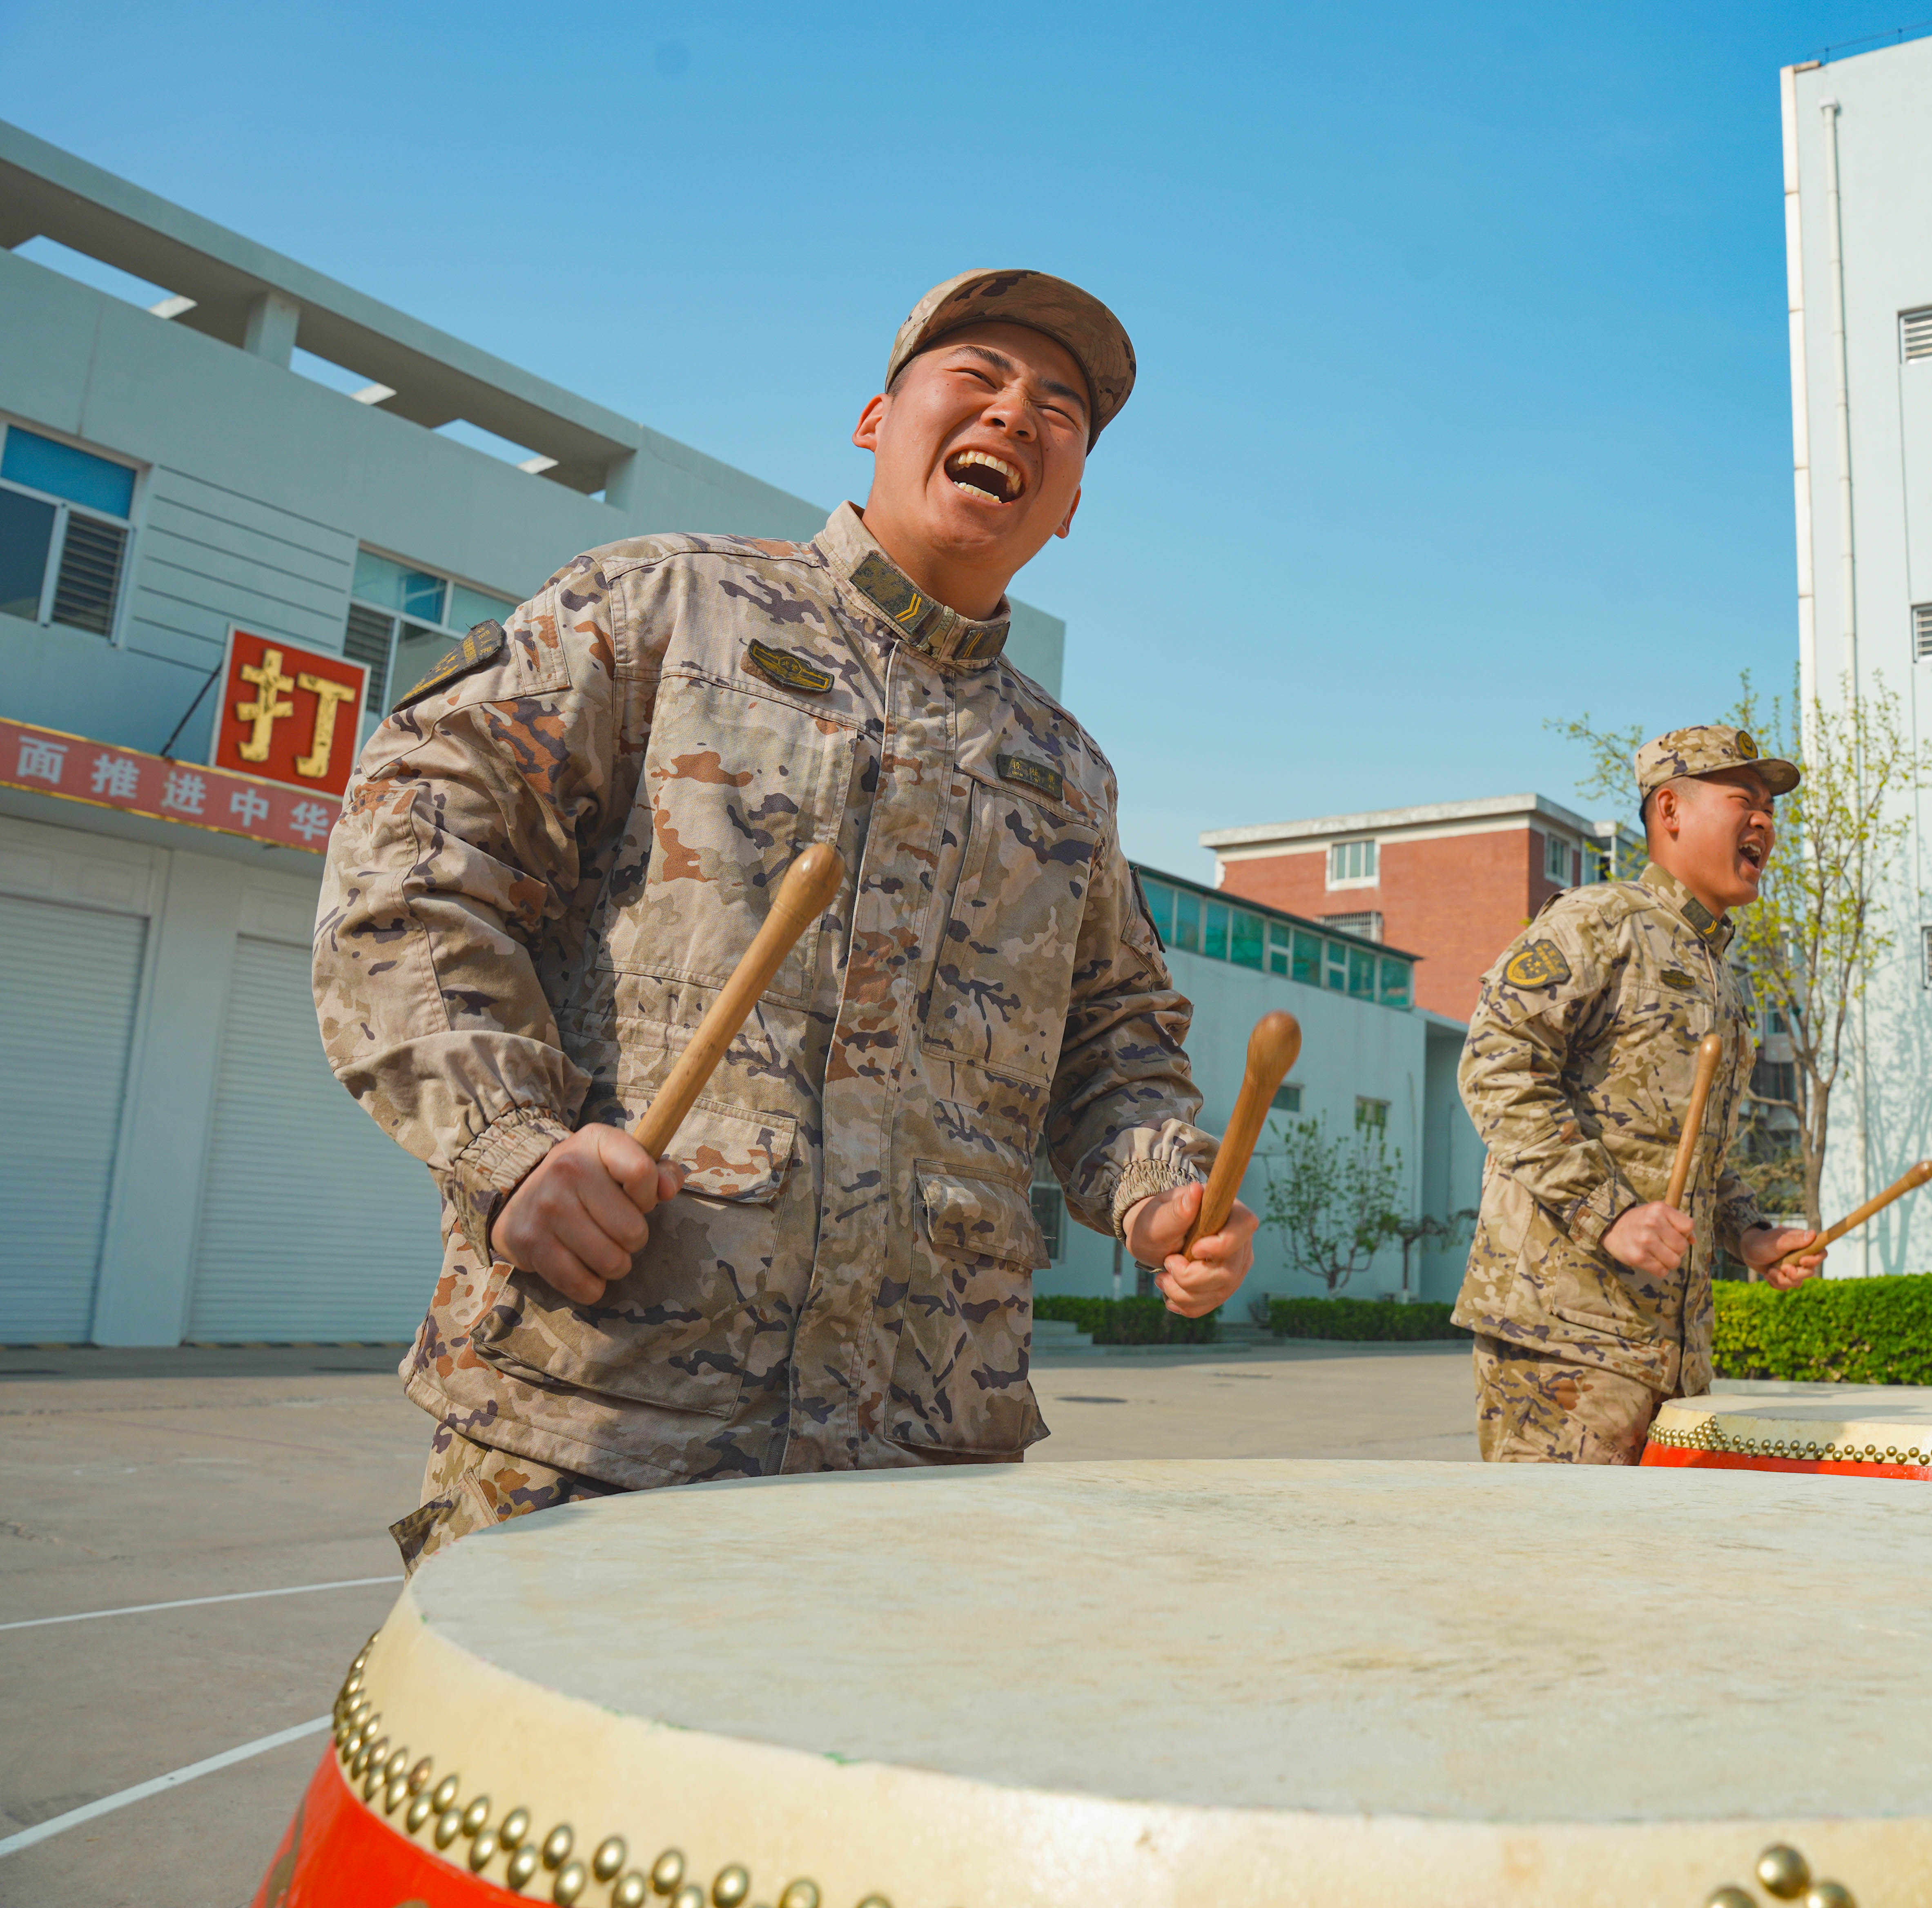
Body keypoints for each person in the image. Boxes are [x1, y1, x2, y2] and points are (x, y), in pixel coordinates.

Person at [315, 269, 1257, 1567]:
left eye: (1059, 411)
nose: (1016, 415)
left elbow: (1117, 1047)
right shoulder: (658, 612)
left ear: (1074, 504)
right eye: (977, 377)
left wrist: (1163, 1193)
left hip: (924, 1451)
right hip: (610, 1417)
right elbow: (413, 860)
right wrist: (513, 1145)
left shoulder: (1067, 772)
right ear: (877, 420)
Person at [1451, 724, 1825, 1462]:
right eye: (1743, 801)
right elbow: (1496, 1063)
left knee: (1647, 1575)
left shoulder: (1725, 976)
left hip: (1674, 1355)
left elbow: (1693, 1153)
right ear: (1670, 811)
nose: (1765, 823)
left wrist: (1747, 1233)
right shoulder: (1599, 924)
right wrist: (1612, 1213)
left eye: (1771, 811)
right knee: (1562, 1567)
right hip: (1566, 1340)